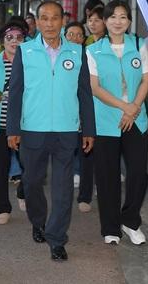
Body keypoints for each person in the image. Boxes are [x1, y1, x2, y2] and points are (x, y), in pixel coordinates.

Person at [7, 0, 96, 262]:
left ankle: (57, 238)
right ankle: (38, 222)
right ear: (37, 21)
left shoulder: (77, 52)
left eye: (54, 18)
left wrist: (88, 129)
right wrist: (13, 128)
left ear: (62, 21)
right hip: (32, 129)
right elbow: (16, 92)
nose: (49, 23)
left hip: (67, 130)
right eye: (44, 18)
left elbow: (84, 93)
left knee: (63, 187)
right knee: (32, 183)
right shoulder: (26, 51)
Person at [86, 0, 148, 246]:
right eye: (113, 17)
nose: (118, 22)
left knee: (138, 173)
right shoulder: (93, 50)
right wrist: (125, 107)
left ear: (129, 21)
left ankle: (131, 220)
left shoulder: (138, 44)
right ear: (104, 21)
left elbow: (146, 80)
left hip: (137, 120)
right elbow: (94, 88)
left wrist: (134, 108)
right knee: (107, 175)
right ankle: (110, 227)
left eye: (123, 17)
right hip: (106, 121)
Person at [0, 21, 28, 225]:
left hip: (25, 125)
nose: (14, 41)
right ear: (3, 41)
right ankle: (3, 207)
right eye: (9, 38)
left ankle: (23, 192)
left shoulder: (31, 63)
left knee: (30, 166)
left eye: (19, 37)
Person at [64, 22, 95, 213]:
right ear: (65, 36)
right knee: (65, 160)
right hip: (65, 117)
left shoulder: (89, 57)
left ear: (84, 39)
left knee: (86, 159)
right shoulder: (59, 56)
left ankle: (85, 196)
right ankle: (64, 195)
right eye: (71, 34)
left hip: (83, 117)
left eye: (79, 35)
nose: (75, 38)